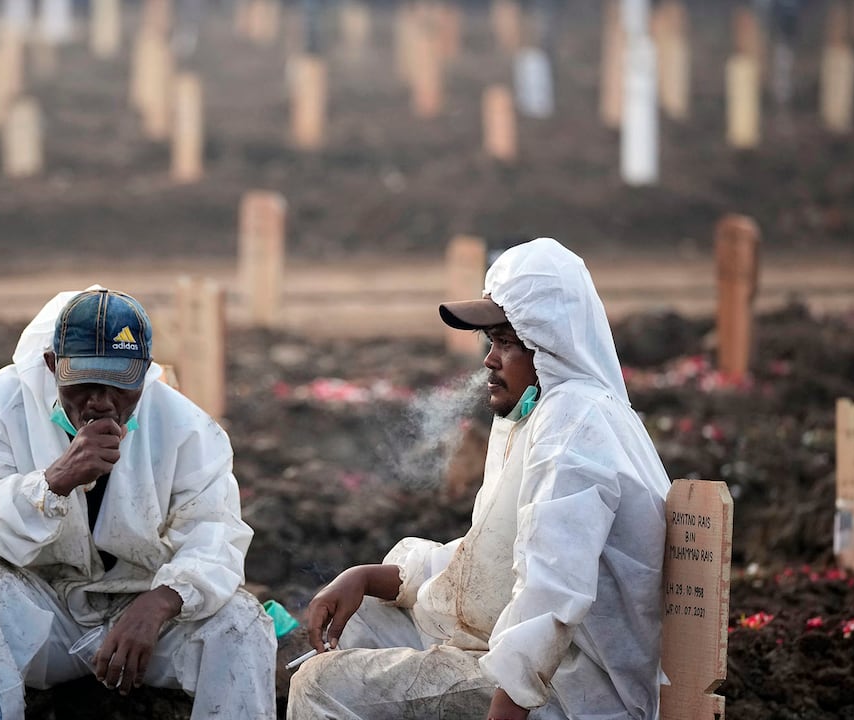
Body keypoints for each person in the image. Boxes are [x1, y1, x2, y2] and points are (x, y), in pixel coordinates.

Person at [287, 238, 670, 720]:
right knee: (363, 617)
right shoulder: (546, 415)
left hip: (574, 695)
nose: (490, 359)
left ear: (551, 346)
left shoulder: (573, 429)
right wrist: (366, 577)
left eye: (507, 342)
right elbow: (494, 560)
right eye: (491, 341)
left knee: (322, 686)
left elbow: (549, 596)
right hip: (542, 673)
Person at [0, 286, 276, 719]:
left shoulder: (186, 427)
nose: (100, 402)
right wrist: (53, 484)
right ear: (52, 365)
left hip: (144, 623)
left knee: (241, 621)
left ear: (143, 375)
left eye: (120, 386)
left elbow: (215, 534)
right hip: (46, 614)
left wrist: (160, 603)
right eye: (83, 384)